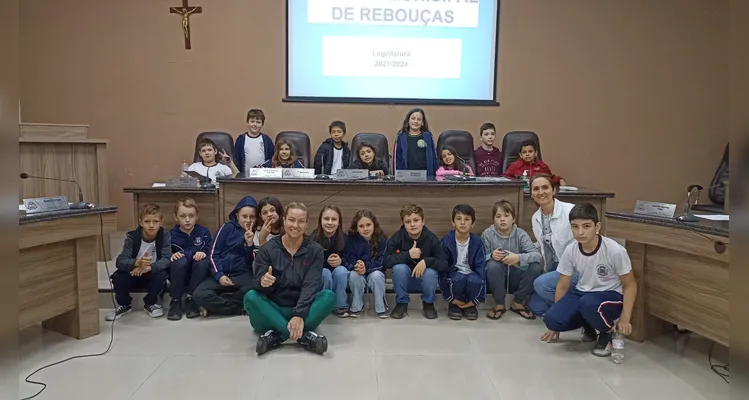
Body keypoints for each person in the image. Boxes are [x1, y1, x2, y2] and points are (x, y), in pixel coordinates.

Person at [541, 203, 638, 357]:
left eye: (586, 226)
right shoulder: (571, 250)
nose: (580, 232)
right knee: (552, 319)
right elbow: (563, 285)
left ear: (597, 226)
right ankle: (589, 324)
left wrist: (625, 318)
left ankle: (607, 334)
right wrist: (556, 320)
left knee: (588, 303)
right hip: (583, 294)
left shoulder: (615, 250)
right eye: (575, 227)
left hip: (610, 295)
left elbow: (630, 285)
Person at [245, 202, 336, 356]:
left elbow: (311, 285)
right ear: (284, 221)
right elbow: (255, 283)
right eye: (292, 220)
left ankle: (277, 335)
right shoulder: (268, 249)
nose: (295, 225)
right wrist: (262, 282)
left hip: (303, 310)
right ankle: (304, 337)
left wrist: (299, 314)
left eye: (301, 221)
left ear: (307, 225)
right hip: (272, 309)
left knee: (329, 297)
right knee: (250, 297)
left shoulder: (315, 250)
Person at [192, 196, 258, 317]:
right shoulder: (227, 228)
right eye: (244, 216)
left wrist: (249, 245)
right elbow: (212, 253)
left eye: (252, 217)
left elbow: (251, 263)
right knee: (199, 295)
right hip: (221, 272)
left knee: (255, 289)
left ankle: (216, 307)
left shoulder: (256, 232)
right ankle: (238, 308)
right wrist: (219, 275)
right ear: (237, 215)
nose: (248, 220)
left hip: (241, 274)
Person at [107, 203, 171, 321]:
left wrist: (148, 267)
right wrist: (137, 263)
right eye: (147, 222)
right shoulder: (132, 237)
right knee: (117, 276)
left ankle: (150, 303)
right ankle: (124, 304)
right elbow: (120, 261)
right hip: (134, 273)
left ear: (161, 222)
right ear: (141, 222)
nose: (151, 225)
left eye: (155, 221)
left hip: (151, 273)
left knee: (162, 274)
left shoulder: (165, 236)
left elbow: (166, 259)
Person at [527, 174, 578, 317]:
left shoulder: (570, 211)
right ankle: (568, 305)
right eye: (536, 189)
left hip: (575, 268)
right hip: (553, 266)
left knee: (539, 284)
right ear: (531, 194)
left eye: (545, 187)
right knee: (535, 307)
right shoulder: (536, 217)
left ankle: (573, 308)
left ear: (554, 190)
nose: (541, 192)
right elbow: (543, 243)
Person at [385, 204, 448, 319]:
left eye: (416, 220)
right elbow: (386, 261)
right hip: (405, 281)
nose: (412, 224)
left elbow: (444, 263)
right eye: (408, 222)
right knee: (399, 268)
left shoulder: (431, 238)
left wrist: (426, 262)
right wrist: (408, 255)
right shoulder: (398, 237)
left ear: (423, 221)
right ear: (404, 224)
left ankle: (428, 303)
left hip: (424, 281)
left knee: (430, 272)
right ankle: (402, 303)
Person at [482, 200, 542, 320]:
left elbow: (537, 255)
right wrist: (491, 256)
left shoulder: (521, 234)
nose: (502, 219)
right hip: (496, 279)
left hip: (516, 275)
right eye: (498, 216)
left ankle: (518, 303)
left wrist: (518, 257)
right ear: (494, 219)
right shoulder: (487, 234)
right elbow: (479, 259)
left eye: (506, 215)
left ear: (513, 219)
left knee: (535, 266)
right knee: (492, 265)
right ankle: (499, 304)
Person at [167, 198, 213, 320]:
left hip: (196, 273)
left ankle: (191, 298)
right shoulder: (171, 234)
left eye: (191, 216)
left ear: (197, 216)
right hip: (178, 273)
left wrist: (203, 253)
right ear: (176, 217)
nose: (187, 220)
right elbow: (164, 252)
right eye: (183, 216)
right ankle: (176, 300)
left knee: (203, 262)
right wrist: (171, 254)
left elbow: (211, 250)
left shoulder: (203, 232)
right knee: (178, 261)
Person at [439, 204, 485, 321]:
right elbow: (442, 268)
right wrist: (449, 297)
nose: (463, 223)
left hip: (471, 275)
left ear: (473, 224)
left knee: (474, 279)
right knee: (458, 278)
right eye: (459, 219)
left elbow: (481, 269)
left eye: (467, 219)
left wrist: (477, 299)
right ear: (453, 222)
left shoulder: (477, 243)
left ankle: (470, 305)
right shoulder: (446, 241)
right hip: (454, 276)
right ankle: (455, 304)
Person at [344, 209, 389, 318]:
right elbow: (348, 259)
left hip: (375, 270)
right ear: (356, 228)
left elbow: (382, 262)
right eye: (361, 226)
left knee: (376, 276)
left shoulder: (382, 240)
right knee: (354, 276)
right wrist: (357, 266)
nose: (365, 229)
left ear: (374, 225)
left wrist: (366, 266)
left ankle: (381, 306)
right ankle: (356, 306)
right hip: (357, 270)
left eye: (368, 225)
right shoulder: (351, 240)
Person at [310, 205, 349, 317]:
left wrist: (341, 261)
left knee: (341, 271)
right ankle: (324, 305)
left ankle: (340, 305)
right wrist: (326, 263)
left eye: (334, 219)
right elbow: (311, 263)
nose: (330, 222)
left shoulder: (345, 238)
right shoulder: (313, 238)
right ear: (320, 221)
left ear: (339, 222)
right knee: (325, 272)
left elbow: (351, 259)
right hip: (321, 272)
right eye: (326, 219)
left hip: (339, 271)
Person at [393, 108, 439, 176]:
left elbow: (434, 158)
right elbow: (397, 159)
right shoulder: (401, 137)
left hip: (426, 176)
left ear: (423, 122)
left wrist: (435, 177)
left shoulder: (428, 137)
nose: (416, 121)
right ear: (408, 120)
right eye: (413, 118)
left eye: (419, 119)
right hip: (407, 177)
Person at [233, 108, 275, 175]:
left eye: (258, 122)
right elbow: (236, 160)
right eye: (252, 121)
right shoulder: (241, 140)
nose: (255, 124)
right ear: (247, 123)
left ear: (262, 124)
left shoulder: (266, 140)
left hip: (263, 176)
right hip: (245, 176)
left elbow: (272, 158)